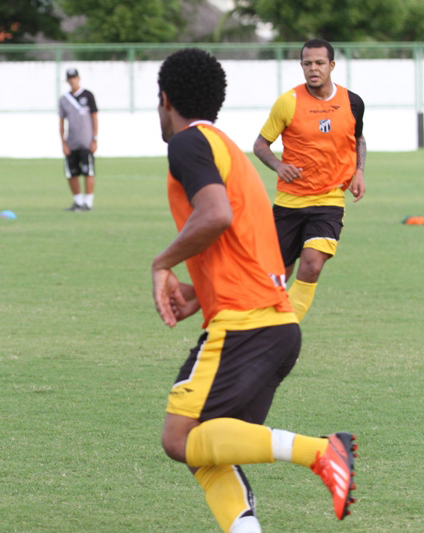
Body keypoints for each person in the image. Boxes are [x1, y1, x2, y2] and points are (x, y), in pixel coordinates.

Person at [152, 48, 357, 532]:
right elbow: (244, 237)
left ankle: (321, 451)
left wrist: (163, 263)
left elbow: (216, 214)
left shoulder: (188, 143)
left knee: (178, 439)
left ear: (165, 99)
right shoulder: (228, 149)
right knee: (207, 446)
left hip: (245, 325)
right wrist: (200, 293)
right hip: (272, 323)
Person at [254, 38, 366, 322]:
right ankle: (264, 326)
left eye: (319, 63)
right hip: (289, 202)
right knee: (276, 275)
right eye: (307, 63)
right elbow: (260, 144)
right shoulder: (288, 102)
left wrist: (359, 171)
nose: (313, 68)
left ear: (332, 65)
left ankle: (285, 328)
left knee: (312, 265)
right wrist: (278, 165)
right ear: (301, 66)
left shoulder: (352, 102)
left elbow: (358, 138)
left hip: (329, 200)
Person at [59, 68, 98, 211]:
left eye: (74, 77)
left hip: (86, 141)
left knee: (89, 172)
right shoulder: (64, 99)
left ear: (79, 78)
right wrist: (63, 142)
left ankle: (88, 202)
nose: (72, 80)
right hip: (71, 142)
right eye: (70, 78)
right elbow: (61, 122)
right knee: (72, 173)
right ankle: (78, 201)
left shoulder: (88, 95)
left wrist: (95, 138)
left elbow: (94, 117)